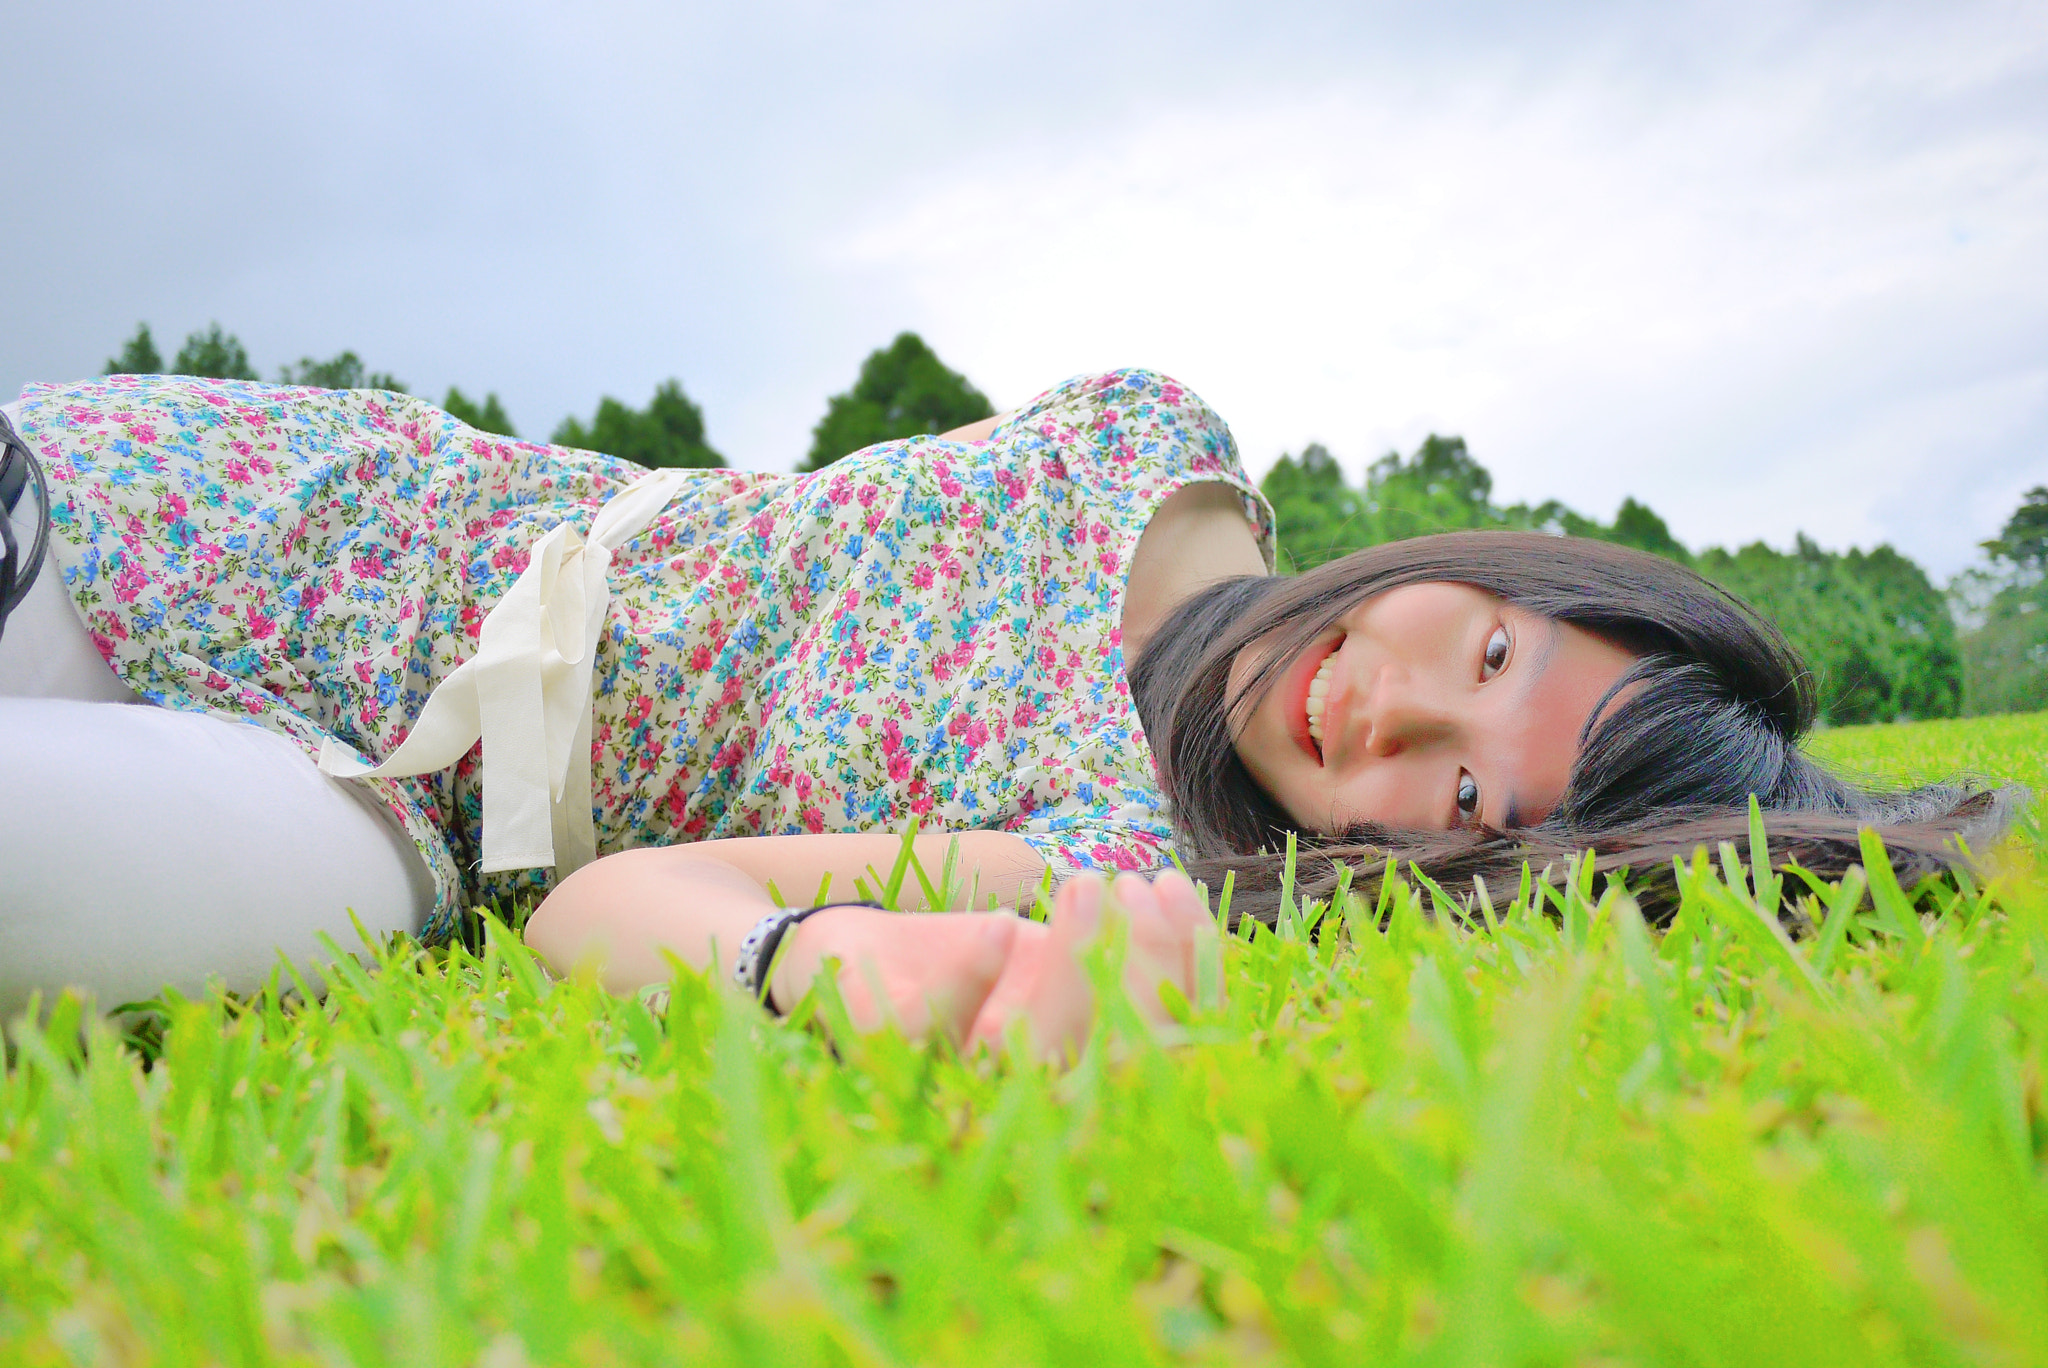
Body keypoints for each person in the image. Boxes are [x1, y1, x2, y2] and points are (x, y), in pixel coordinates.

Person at [0, 369, 2008, 1050]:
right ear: (1508, 570)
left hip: (368, 802)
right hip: (306, 509)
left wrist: (823, 964)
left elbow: (594, 914)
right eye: (1478, 655)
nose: (1379, 712)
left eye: (1459, 799)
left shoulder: (1109, 851)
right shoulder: (1145, 446)